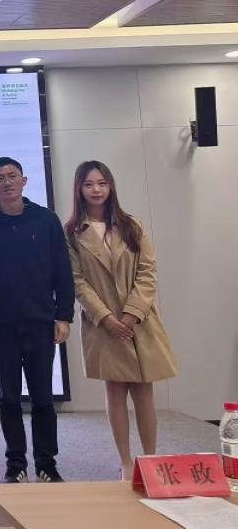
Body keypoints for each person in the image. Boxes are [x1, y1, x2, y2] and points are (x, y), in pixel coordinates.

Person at [65, 160, 177, 479]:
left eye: (102, 183)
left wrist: (131, 313)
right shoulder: (72, 232)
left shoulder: (131, 225)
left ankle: (151, 458)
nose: (96, 190)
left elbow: (147, 271)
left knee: (143, 390)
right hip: (103, 325)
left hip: (138, 322)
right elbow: (77, 281)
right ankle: (126, 461)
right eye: (89, 184)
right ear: (79, 189)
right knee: (114, 389)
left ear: (111, 186)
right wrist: (105, 317)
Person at [0, 156, 74, 484]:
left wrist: (64, 315)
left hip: (40, 323)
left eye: (12, 176)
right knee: (8, 397)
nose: (7, 182)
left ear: (24, 181)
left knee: (43, 397)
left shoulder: (45, 220)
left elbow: (62, 270)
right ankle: (15, 463)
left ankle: (46, 462)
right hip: (1, 327)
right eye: (0, 178)